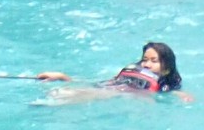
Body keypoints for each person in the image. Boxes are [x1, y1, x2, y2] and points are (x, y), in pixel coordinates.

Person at [37, 40, 191, 101]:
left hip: (120, 92)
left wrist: (182, 95)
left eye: (153, 61)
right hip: (114, 88)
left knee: (95, 93)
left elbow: (169, 91)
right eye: (144, 59)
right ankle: (62, 79)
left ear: (166, 68)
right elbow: (105, 82)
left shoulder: (165, 82)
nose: (146, 64)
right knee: (95, 90)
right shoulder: (134, 73)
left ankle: (60, 97)